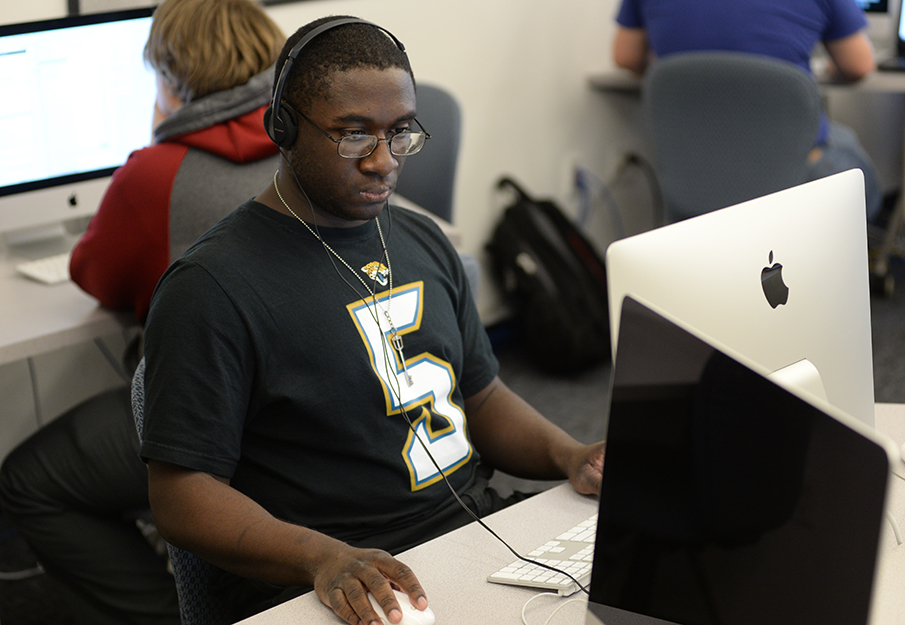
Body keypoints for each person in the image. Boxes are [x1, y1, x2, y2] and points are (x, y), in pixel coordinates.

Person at [138, 15, 607, 625]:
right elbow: (180, 497)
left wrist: (569, 454)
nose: (383, 162)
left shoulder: (421, 239)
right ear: (283, 127)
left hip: (478, 541)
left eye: (401, 133)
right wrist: (318, 556)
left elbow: (482, 395)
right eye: (353, 134)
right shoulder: (212, 288)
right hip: (337, 581)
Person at [0, 1, 284, 623]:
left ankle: (164, 614)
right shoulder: (315, 144)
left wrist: (162, 135)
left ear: (172, 76)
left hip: (218, 422)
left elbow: (93, 274)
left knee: (29, 480)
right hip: (305, 408)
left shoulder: (158, 174)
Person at [612, 0, 884, 222]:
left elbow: (625, 56)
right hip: (792, 173)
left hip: (693, 171)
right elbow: (859, 65)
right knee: (850, 156)